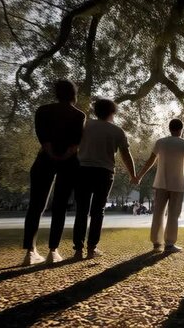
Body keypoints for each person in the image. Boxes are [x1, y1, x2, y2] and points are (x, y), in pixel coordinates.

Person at [22, 80, 86, 265]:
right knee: (60, 206)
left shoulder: (42, 110)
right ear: (73, 94)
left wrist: (50, 152)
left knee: (36, 205)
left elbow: (43, 137)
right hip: (68, 163)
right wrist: (63, 155)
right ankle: (53, 250)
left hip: (44, 160)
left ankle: (30, 251)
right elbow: (75, 143)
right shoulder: (79, 115)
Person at [72, 99, 136, 259]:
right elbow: (126, 155)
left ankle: (78, 250)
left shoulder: (85, 126)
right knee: (97, 211)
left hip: (83, 170)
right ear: (112, 113)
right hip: (104, 172)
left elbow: (74, 145)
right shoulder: (117, 131)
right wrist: (133, 175)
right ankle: (91, 249)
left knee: (81, 210)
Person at [136, 119, 184, 253]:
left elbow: (150, 161)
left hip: (161, 182)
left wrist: (140, 176)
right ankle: (169, 244)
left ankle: (156, 244)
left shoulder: (160, 142)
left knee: (158, 213)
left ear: (169, 128)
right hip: (178, 183)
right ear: (181, 129)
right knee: (174, 214)